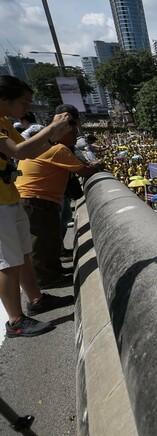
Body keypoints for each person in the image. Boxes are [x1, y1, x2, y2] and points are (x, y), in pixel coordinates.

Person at [1, 74, 73, 337]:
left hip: (10, 195)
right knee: (7, 262)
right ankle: (15, 321)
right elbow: (18, 152)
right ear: (4, 98)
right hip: (0, 202)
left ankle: (36, 300)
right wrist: (51, 129)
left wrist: (53, 137)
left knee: (22, 254)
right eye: (24, 102)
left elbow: (29, 150)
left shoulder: (4, 122)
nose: (27, 108)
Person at [16, 104, 105, 288]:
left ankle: (53, 271)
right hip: (35, 199)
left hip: (38, 199)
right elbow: (84, 171)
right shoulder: (58, 150)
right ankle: (45, 279)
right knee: (41, 242)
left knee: (50, 239)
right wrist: (96, 166)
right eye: (73, 134)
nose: (75, 138)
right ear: (63, 132)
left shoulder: (49, 145)